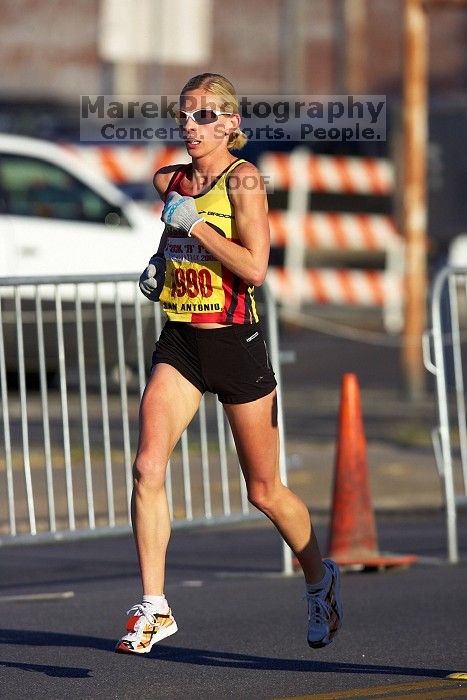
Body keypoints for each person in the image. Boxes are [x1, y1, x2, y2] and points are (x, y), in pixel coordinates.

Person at [115, 73, 342, 655]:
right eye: (186, 116)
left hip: (235, 342)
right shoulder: (171, 178)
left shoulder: (244, 182)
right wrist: (161, 260)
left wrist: (198, 227)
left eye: (206, 117)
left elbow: (257, 268)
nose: (192, 126)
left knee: (263, 490)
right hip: (183, 341)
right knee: (146, 466)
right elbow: (170, 211)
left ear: (232, 124)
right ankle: (154, 606)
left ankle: (319, 579)